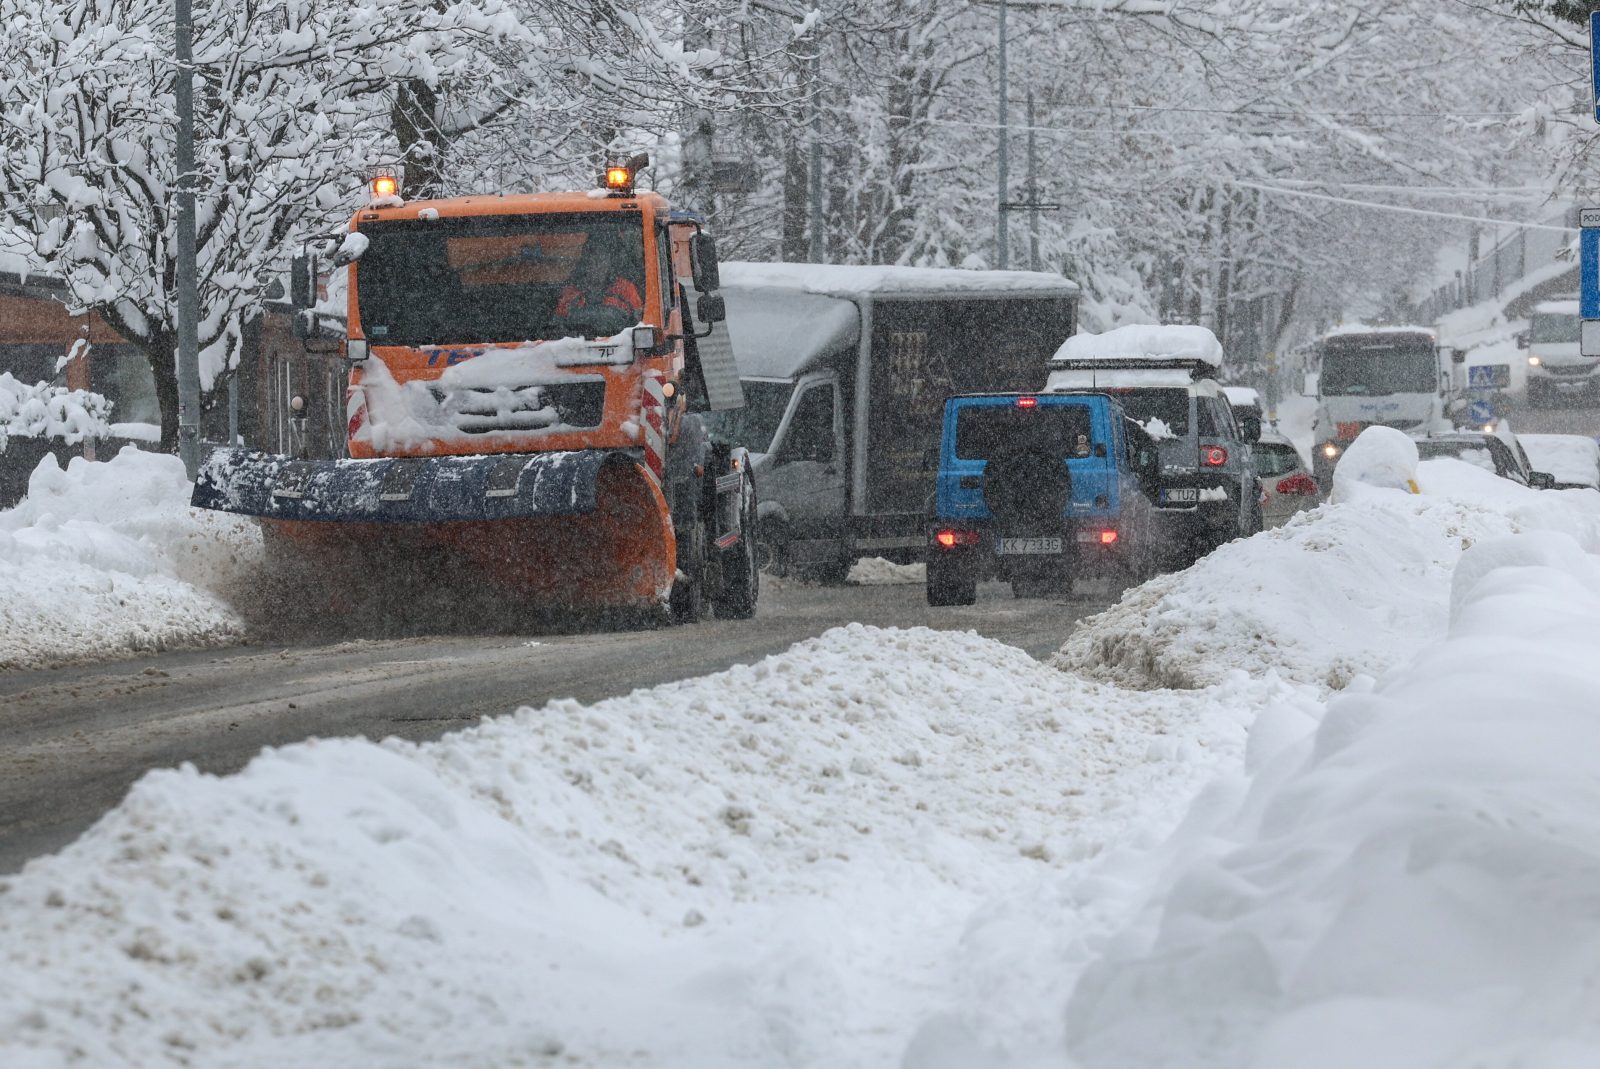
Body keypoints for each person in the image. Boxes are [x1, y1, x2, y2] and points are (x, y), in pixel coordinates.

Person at [553, 232, 644, 328]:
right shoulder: (570, 294)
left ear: (609, 263)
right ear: (585, 263)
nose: (597, 266)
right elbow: (558, 327)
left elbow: (640, 325)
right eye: (593, 259)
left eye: (601, 260)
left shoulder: (626, 290)